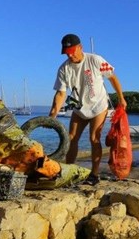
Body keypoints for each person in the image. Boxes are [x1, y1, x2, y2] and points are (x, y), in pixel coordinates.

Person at [49, 34, 127, 185]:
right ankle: (69, 171)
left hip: (99, 106)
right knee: (71, 138)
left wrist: (121, 98)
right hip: (79, 108)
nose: (70, 55)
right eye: (67, 52)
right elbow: (60, 93)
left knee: (94, 138)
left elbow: (112, 77)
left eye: (72, 51)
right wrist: (52, 115)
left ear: (80, 47)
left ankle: (95, 174)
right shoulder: (64, 69)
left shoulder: (95, 60)